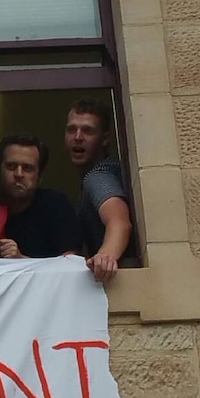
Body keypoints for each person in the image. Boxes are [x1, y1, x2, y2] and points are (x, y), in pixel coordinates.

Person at [65, 98, 132, 282]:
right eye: (72, 129)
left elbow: (119, 222)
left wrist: (105, 256)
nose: (78, 137)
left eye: (88, 131)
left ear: (105, 138)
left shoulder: (98, 176)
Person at [0, 135, 82, 259]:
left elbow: (69, 265)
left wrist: (21, 260)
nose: (18, 174)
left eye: (27, 168)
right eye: (11, 166)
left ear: (40, 176)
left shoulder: (56, 207)